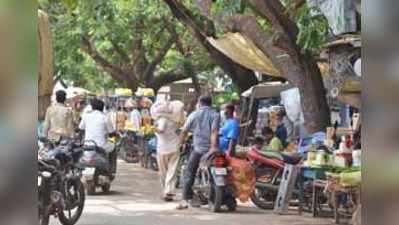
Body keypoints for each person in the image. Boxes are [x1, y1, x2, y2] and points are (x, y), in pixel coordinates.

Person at [177, 95, 220, 210]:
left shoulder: (194, 114)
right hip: (212, 150)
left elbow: (184, 131)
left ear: (200, 103)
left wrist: (180, 144)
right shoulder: (215, 114)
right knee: (218, 171)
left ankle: (185, 199)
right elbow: (214, 131)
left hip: (198, 149)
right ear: (210, 104)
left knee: (189, 172)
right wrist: (213, 147)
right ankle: (222, 197)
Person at [152, 101, 184, 202]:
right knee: (172, 170)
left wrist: (153, 129)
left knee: (163, 171)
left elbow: (161, 130)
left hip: (163, 149)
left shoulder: (162, 119)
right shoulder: (174, 120)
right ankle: (169, 191)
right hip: (174, 146)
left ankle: (167, 191)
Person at [79, 99, 117, 174]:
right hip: (101, 146)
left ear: (92, 107)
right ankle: (111, 171)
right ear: (102, 108)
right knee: (113, 147)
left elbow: (80, 128)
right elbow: (112, 132)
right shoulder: (105, 117)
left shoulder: (86, 116)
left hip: (87, 145)